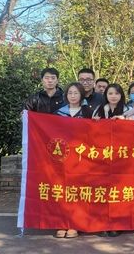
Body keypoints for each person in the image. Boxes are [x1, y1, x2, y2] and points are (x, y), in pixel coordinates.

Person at [52, 82, 88, 239]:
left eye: (76, 93)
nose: (73, 96)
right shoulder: (58, 113)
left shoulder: (88, 112)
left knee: (77, 191)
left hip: (82, 157)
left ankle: (74, 224)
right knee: (62, 190)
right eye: (70, 93)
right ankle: (62, 222)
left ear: (81, 95)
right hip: (63, 157)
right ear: (66, 95)